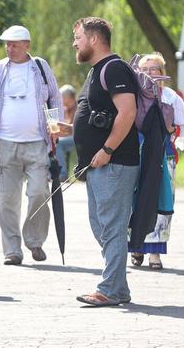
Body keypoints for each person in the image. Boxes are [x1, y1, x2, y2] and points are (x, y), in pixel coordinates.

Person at [0, 25, 62, 265]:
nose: (9, 48)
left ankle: (34, 241)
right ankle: (12, 250)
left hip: (37, 143)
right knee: (8, 200)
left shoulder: (41, 67)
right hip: (5, 143)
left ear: (27, 45)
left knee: (39, 192)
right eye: (7, 44)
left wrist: (54, 127)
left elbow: (55, 96)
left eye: (14, 44)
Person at [71, 17, 139, 307]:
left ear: (94, 39)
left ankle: (109, 289)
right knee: (101, 226)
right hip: (98, 165)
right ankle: (118, 289)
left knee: (111, 226)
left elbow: (127, 112)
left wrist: (108, 149)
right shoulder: (97, 70)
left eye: (77, 37)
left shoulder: (114, 69)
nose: (74, 43)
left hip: (114, 163)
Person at [129, 52, 184, 270]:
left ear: (162, 72)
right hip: (137, 151)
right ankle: (136, 246)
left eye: (154, 69)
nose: (150, 73)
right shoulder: (134, 95)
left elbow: (182, 127)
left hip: (163, 154)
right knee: (135, 199)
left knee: (161, 200)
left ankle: (155, 253)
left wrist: (168, 127)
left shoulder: (171, 97)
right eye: (145, 69)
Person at [55, 84, 78, 181]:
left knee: (58, 143)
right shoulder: (66, 109)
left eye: (62, 97)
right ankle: (52, 173)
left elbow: (74, 129)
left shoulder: (78, 107)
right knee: (54, 140)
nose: (61, 99)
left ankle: (63, 174)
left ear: (68, 97)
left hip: (77, 137)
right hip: (69, 137)